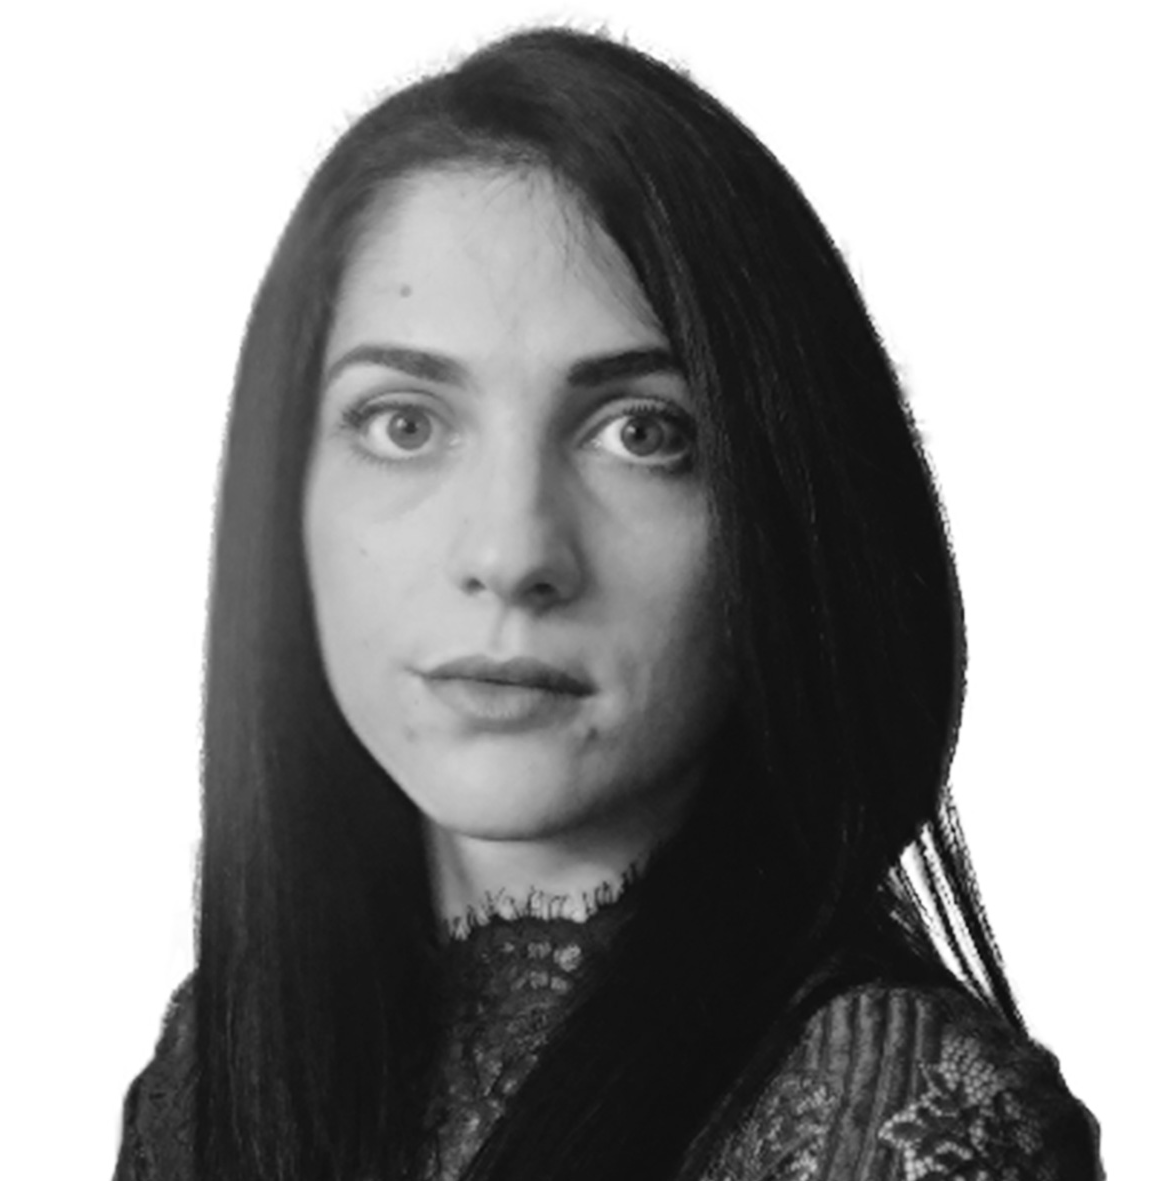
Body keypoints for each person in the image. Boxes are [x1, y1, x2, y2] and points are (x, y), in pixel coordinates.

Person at [112, 25, 1102, 1181]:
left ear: (782, 509)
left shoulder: (903, 1126)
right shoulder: (209, 1073)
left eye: (642, 432)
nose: (510, 551)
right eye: (404, 423)